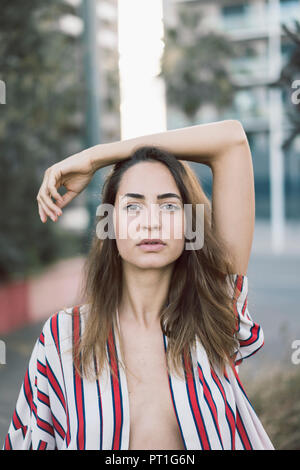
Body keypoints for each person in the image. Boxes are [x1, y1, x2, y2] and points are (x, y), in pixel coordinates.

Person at [3, 120, 274, 450]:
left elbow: (231, 140)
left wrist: (96, 157)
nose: (151, 220)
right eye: (132, 205)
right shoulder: (63, 338)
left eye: (169, 205)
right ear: (109, 223)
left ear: (190, 224)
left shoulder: (213, 314)